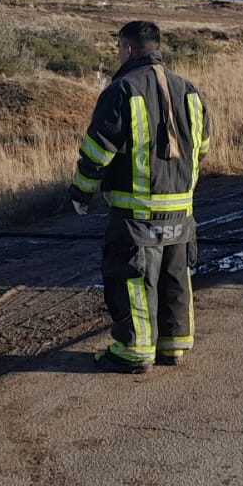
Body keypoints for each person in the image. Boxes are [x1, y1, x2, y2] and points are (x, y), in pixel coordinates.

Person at [68, 21, 211, 374]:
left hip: (136, 214)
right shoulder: (189, 90)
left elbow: (97, 152)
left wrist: (80, 195)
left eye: (120, 49)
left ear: (128, 49)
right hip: (181, 210)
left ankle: (134, 351)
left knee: (132, 278)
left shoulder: (121, 90)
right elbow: (202, 147)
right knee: (175, 276)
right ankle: (174, 346)